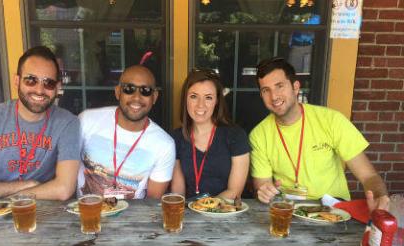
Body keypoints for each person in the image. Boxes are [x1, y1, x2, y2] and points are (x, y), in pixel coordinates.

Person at [249, 57, 389, 212]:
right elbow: (262, 186)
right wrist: (264, 192)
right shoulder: (258, 135)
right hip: (288, 212)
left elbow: (369, 176)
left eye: (279, 86)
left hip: (333, 212)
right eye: (266, 90)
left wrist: (379, 196)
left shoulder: (331, 120)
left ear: (295, 87)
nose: (274, 96)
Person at [0, 46, 80, 202]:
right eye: (31, 80)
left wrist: (17, 197)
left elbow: (63, 189)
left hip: (40, 211)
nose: (39, 90)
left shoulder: (67, 122)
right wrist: (21, 186)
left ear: (57, 87)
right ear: (17, 81)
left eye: (48, 83)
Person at [77, 65, 175, 199]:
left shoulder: (164, 145)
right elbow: (66, 170)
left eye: (145, 91)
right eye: (129, 89)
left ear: (154, 97)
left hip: (132, 218)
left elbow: (152, 204)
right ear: (118, 92)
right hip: (87, 214)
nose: (136, 97)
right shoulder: (86, 121)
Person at [171, 69, 250, 201]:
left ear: (217, 101)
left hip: (225, 213)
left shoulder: (236, 136)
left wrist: (205, 207)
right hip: (188, 214)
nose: (200, 105)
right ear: (185, 99)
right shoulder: (176, 138)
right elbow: (178, 193)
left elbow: (235, 191)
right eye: (194, 96)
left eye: (208, 97)